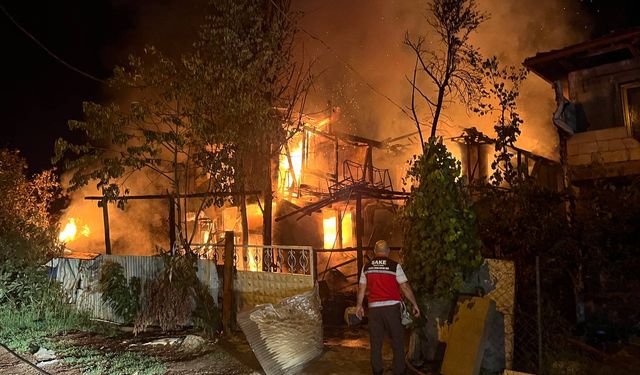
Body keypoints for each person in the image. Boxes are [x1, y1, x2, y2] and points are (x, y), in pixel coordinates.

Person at [356, 240, 420, 375]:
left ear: (374, 251)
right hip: (392, 310)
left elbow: (361, 287)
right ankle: (399, 371)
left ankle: (377, 371)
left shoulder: (366, 267)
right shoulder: (394, 266)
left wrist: (359, 306)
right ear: (388, 251)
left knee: (376, 342)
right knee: (397, 340)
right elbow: (404, 287)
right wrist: (414, 304)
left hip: (374, 310)